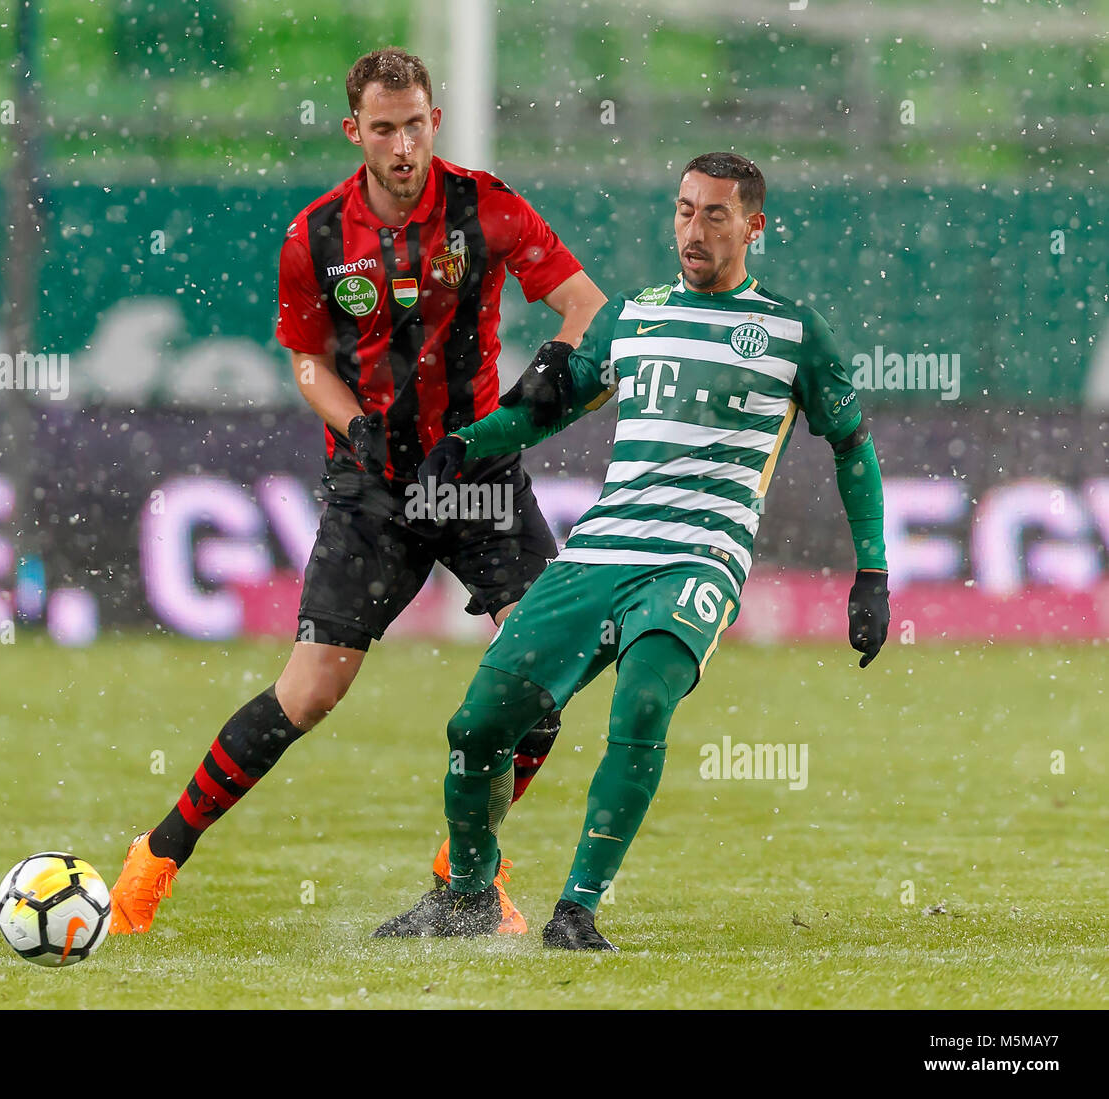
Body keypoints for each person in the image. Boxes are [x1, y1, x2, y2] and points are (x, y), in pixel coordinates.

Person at [109, 47, 607, 936]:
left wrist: (550, 375)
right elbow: (306, 360)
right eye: (385, 128)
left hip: (476, 478)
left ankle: (464, 881)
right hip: (375, 491)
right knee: (308, 695)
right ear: (355, 132)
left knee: (544, 681)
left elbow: (584, 304)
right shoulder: (316, 237)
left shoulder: (485, 207)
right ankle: (155, 857)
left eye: (416, 123)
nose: (404, 143)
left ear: (434, 122)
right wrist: (355, 423)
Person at [373, 151, 891, 950]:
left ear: (754, 226)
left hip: (698, 557)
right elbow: (545, 410)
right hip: (597, 554)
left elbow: (854, 449)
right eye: (685, 209)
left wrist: (873, 573)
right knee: (476, 726)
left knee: (643, 703)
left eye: (716, 214)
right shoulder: (631, 314)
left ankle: (575, 909)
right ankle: (468, 896)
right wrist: (463, 446)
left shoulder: (795, 332)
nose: (695, 228)